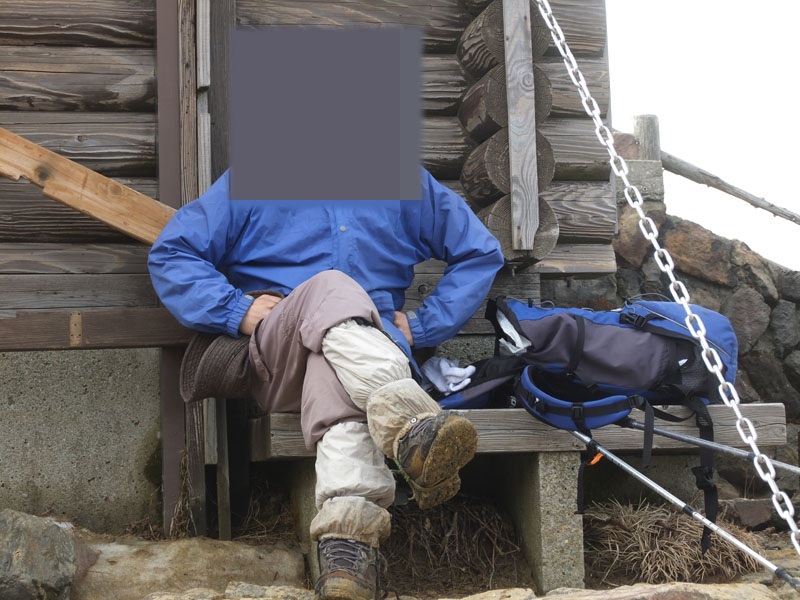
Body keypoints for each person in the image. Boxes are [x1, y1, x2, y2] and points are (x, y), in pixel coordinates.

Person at [148, 167, 504, 600]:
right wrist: (235, 309)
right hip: (278, 357)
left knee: (334, 371)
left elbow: (479, 251)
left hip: (363, 358)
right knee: (332, 286)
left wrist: (425, 324)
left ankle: (348, 556)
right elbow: (172, 254)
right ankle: (409, 422)